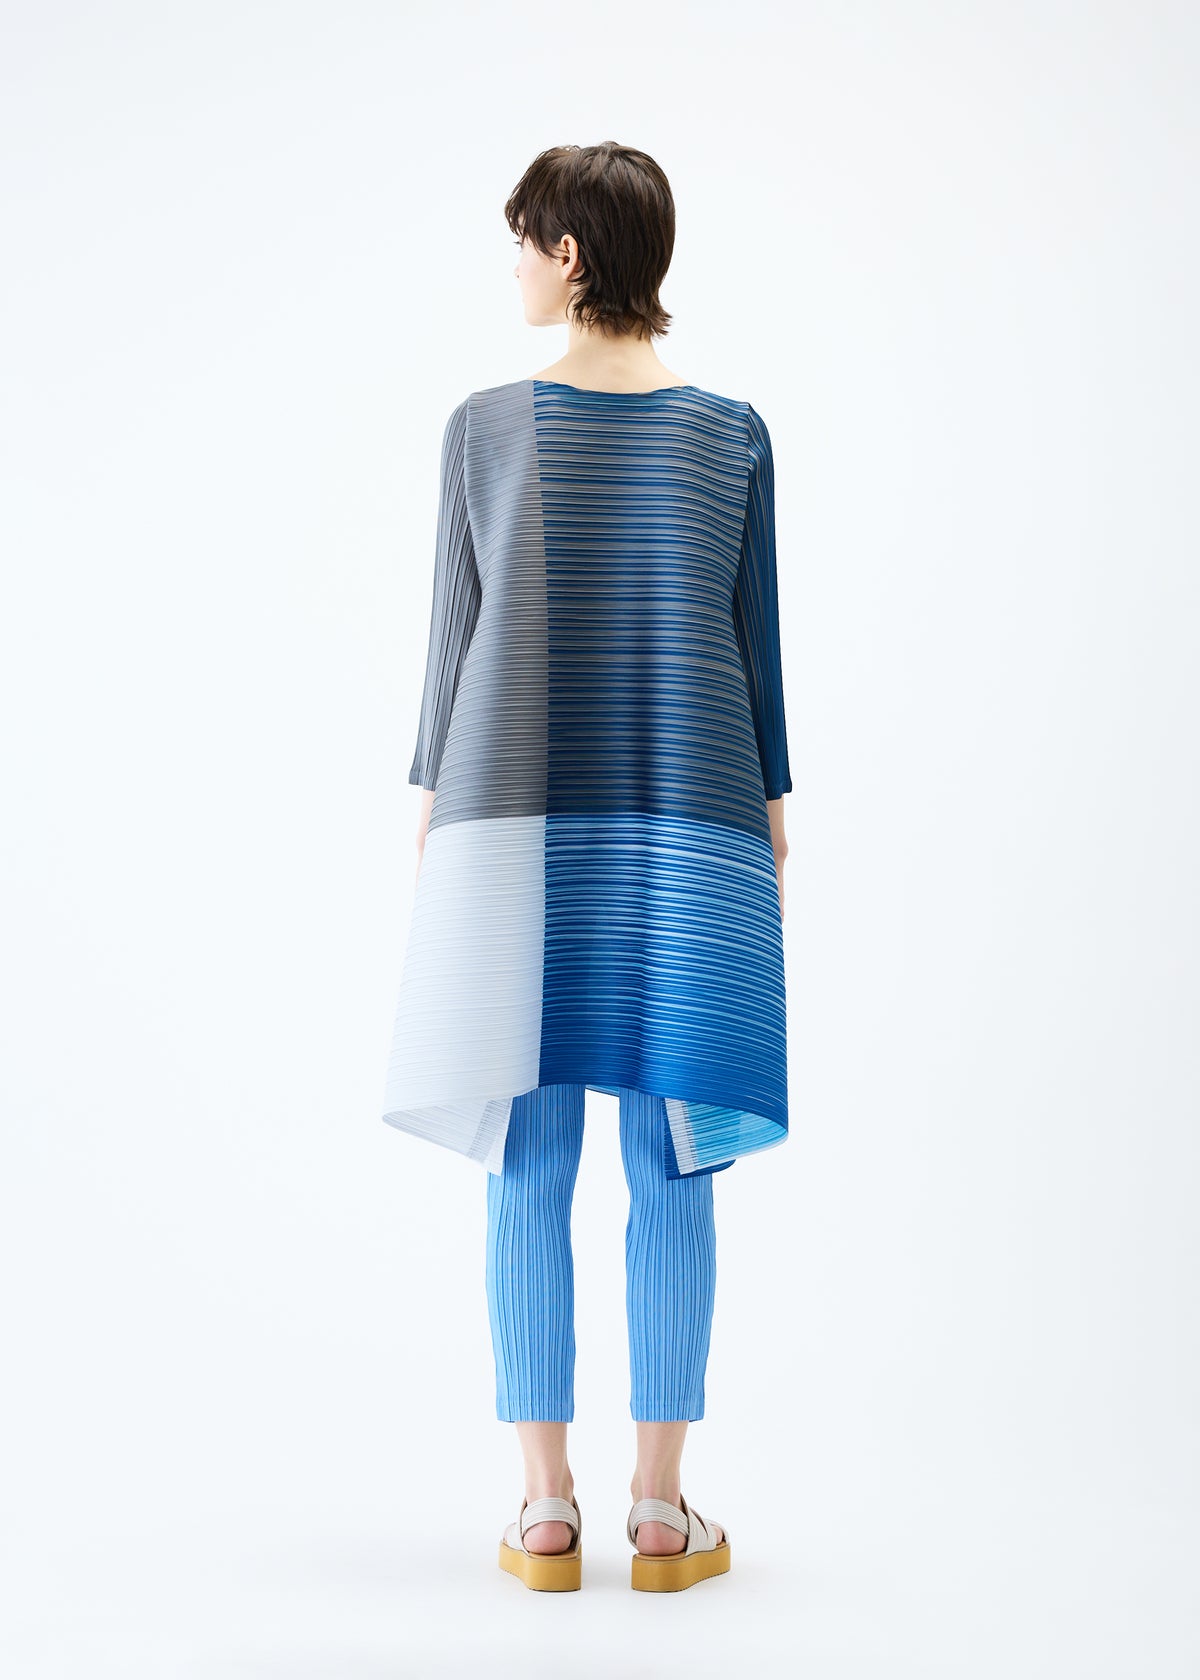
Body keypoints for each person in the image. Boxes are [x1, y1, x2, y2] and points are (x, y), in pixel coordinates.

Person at [381, 141, 792, 1593]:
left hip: (516, 825)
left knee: (530, 1159)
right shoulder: (730, 436)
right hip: (692, 825)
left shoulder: (486, 430)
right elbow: (757, 652)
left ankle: (544, 1510)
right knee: (674, 1159)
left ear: (568, 254)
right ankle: (663, 1515)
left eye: (524, 240)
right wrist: (774, 821)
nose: (513, 264)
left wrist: (433, 814)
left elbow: (452, 654)